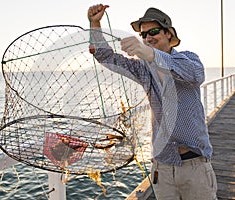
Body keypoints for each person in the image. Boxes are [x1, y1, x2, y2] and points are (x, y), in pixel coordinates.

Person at [87, 4, 217, 200]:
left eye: (153, 32)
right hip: (162, 168)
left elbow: (195, 74)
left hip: (195, 167)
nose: (148, 38)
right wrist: (95, 24)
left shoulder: (188, 59)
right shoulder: (143, 70)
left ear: (168, 35)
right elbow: (106, 57)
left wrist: (150, 54)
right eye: (143, 35)